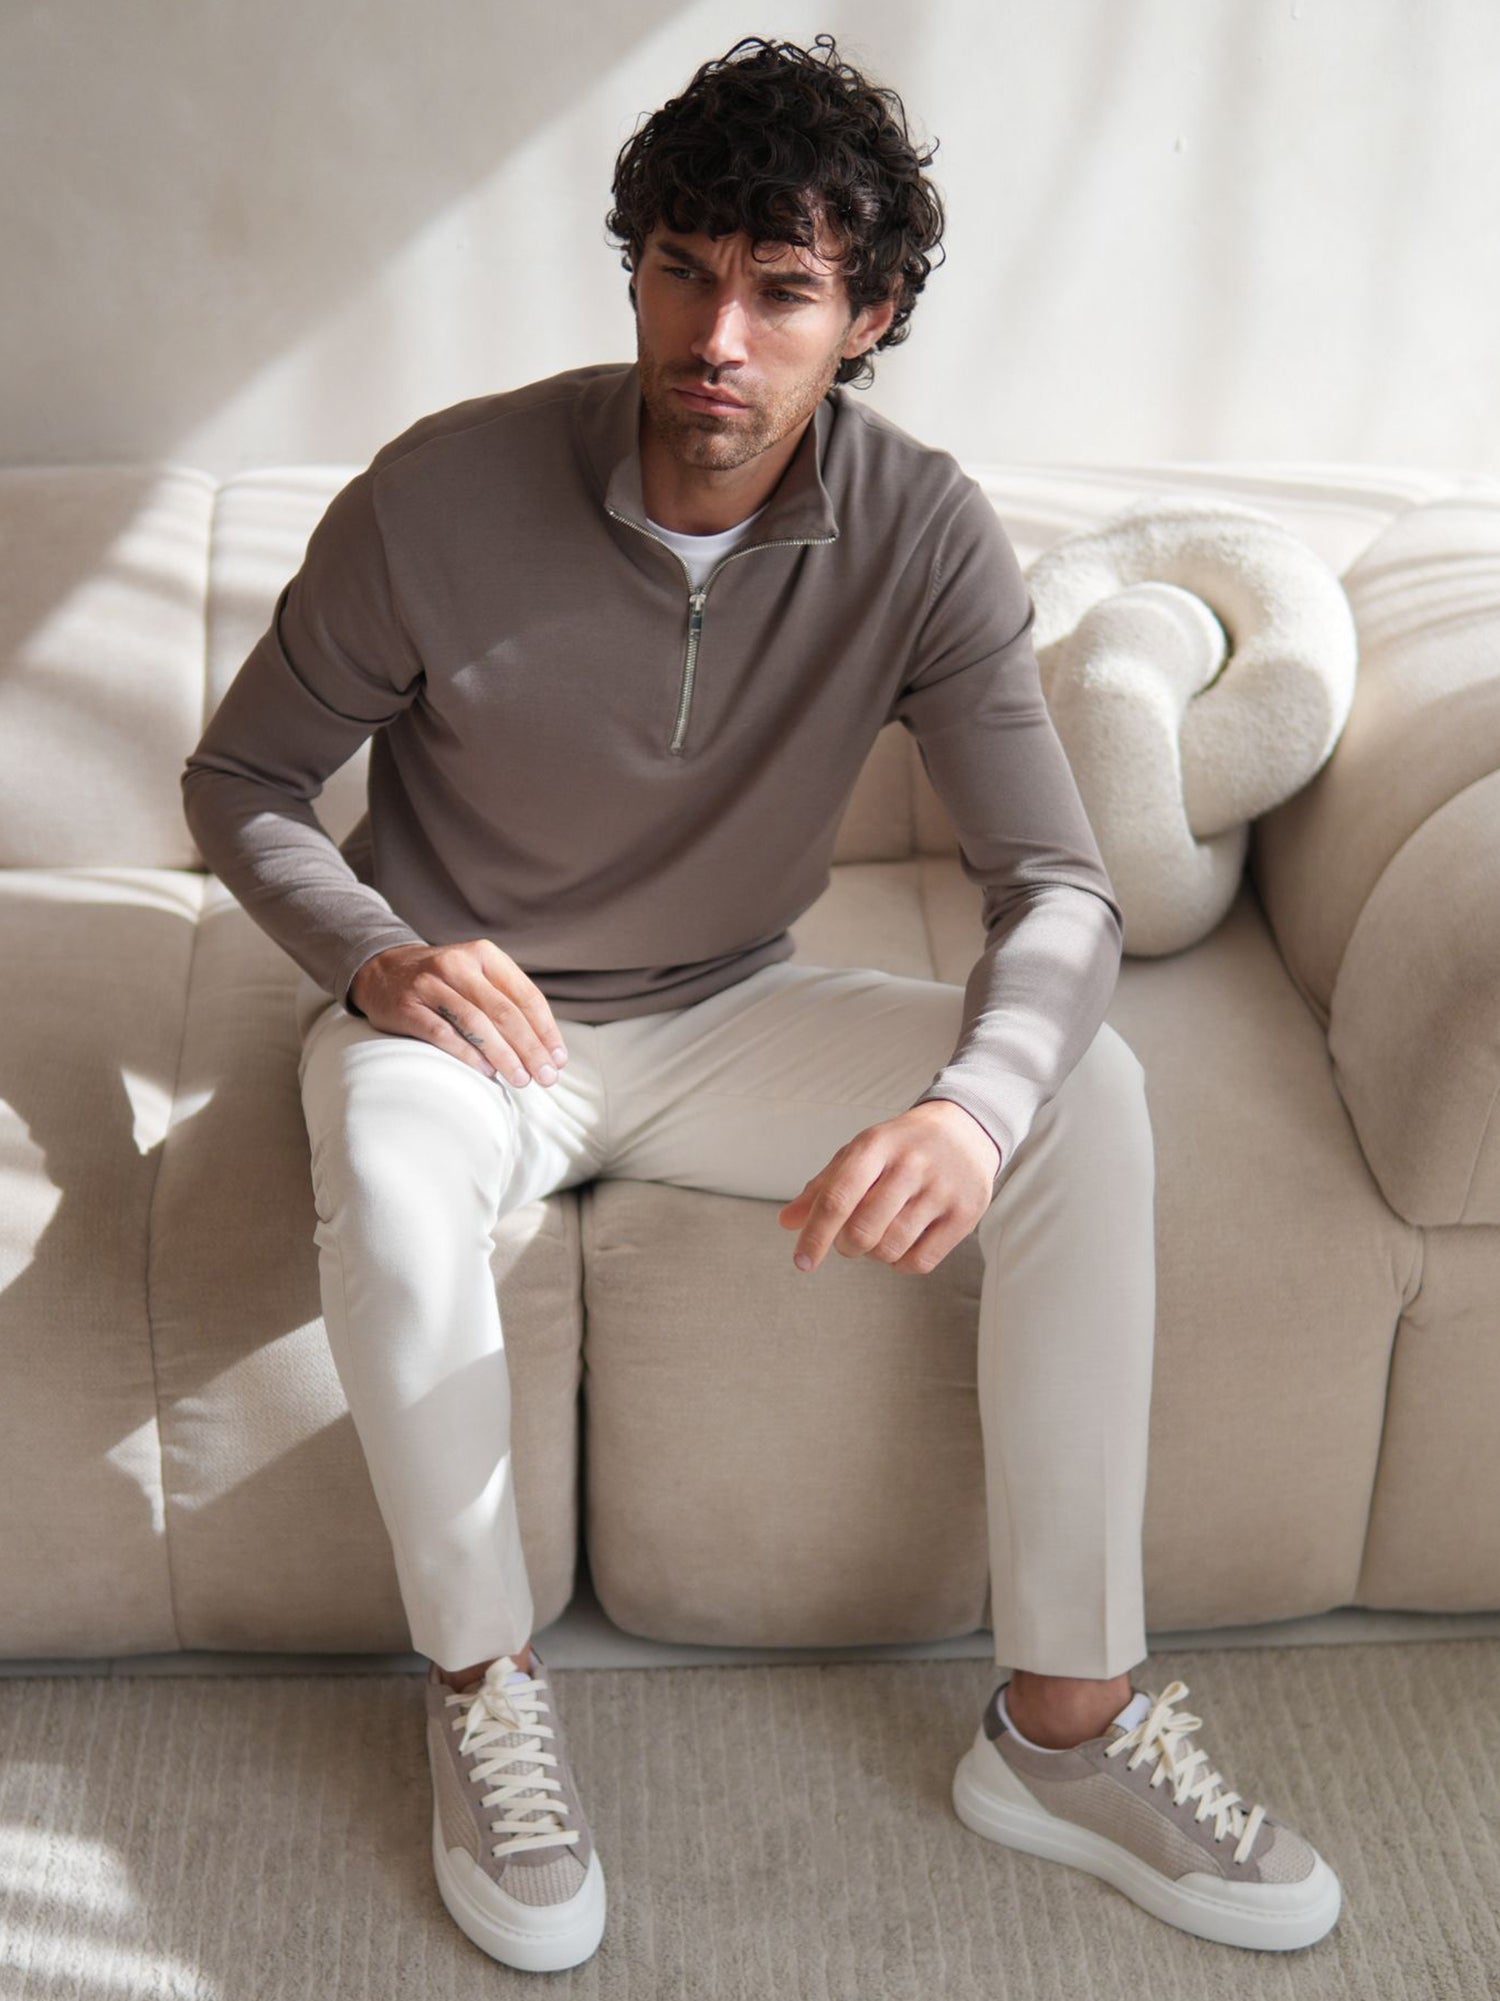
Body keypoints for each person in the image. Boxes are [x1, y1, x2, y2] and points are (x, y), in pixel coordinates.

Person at [180, 30, 1342, 1974]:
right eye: (683, 269)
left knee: (1089, 1097)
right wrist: (375, 951)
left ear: (864, 316)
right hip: (469, 1025)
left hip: (728, 1008)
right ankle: (482, 1696)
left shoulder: (922, 533)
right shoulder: (438, 496)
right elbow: (243, 782)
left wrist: (970, 1104)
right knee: (386, 1181)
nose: (719, 335)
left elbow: (1057, 884)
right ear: (635, 268)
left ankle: (1065, 1730)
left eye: (783, 289)